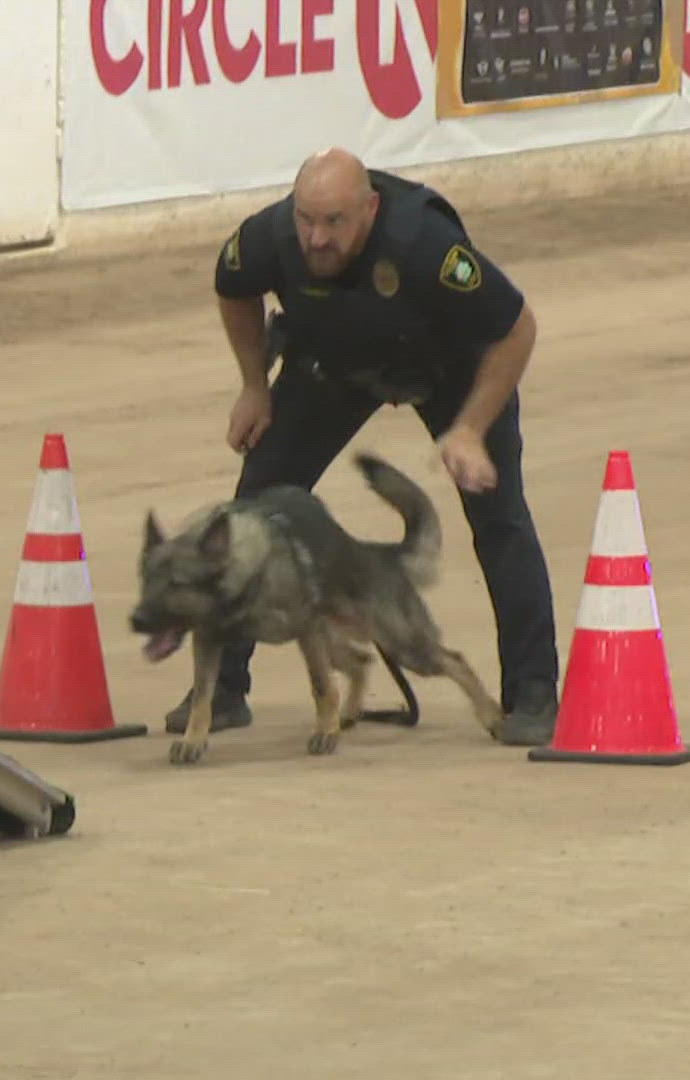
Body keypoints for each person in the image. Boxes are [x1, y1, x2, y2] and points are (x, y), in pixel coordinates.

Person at [165, 147, 561, 747]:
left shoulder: (425, 243)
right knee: (252, 507)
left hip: (450, 368)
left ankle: (533, 694)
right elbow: (232, 286)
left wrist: (471, 428)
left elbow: (516, 327)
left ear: (370, 210)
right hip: (335, 364)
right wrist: (253, 385)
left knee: (499, 516)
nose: (315, 238)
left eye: (334, 222)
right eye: (306, 219)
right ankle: (221, 693)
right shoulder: (271, 237)